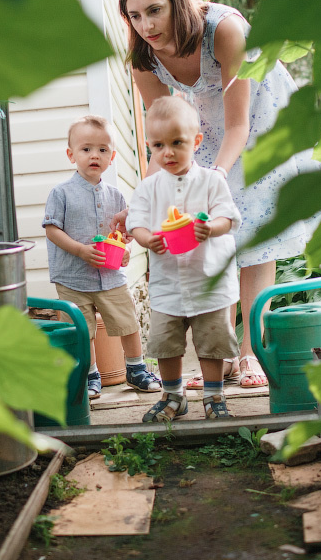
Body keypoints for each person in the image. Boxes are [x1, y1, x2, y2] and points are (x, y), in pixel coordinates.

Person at [118, 0, 321, 390]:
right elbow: (163, 138)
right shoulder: (143, 57)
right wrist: (142, 199)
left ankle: (250, 353)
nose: (146, 26)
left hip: (258, 113)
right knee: (211, 237)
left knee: (251, 224)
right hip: (202, 123)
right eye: (134, 16)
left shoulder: (226, 30)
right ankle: (223, 354)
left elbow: (239, 126)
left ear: (177, 1)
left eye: (154, 10)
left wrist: (214, 177)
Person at [127, 97, 241, 421]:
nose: (168, 152)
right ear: (149, 146)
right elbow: (135, 221)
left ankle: (214, 395)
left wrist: (210, 228)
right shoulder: (149, 188)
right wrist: (147, 239)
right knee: (166, 342)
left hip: (207, 281)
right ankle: (174, 396)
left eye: (177, 143)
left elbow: (228, 217)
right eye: (158, 145)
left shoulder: (212, 181)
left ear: (196, 141)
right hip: (168, 284)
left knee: (212, 341)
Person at [43, 115, 161, 400]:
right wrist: (81, 250)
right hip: (73, 276)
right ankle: (89, 373)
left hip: (110, 276)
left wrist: (126, 254)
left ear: (112, 157)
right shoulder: (61, 193)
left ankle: (135, 369)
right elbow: (51, 230)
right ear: (71, 155)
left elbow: (124, 236)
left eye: (103, 150)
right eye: (86, 149)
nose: (94, 155)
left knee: (128, 320)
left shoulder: (117, 196)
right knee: (81, 329)